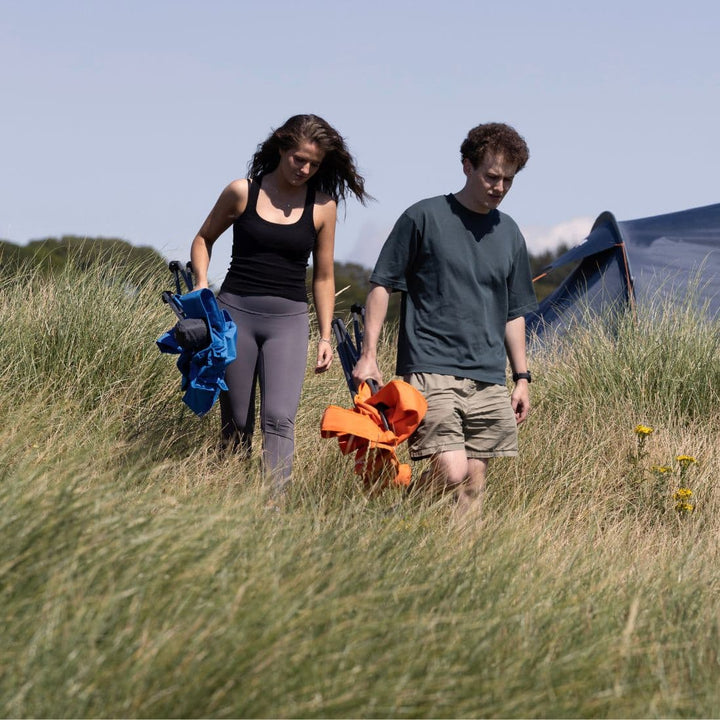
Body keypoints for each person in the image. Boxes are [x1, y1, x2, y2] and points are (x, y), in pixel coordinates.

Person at [351, 122, 538, 522]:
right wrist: (368, 355)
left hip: (488, 376)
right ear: (467, 166)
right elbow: (382, 284)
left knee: (473, 482)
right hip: (429, 368)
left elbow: (513, 310)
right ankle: (390, 513)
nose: (499, 187)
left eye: (508, 180)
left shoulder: (510, 234)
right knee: (451, 473)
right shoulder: (423, 217)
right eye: (491, 176)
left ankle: (460, 567)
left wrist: (521, 376)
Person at [191, 114, 369, 489]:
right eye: (298, 159)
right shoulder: (242, 191)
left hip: (287, 322)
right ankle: (230, 501)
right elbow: (203, 239)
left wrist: (324, 336)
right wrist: (202, 288)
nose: (305, 169)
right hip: (234, 315)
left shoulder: (323, 207)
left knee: (279, 419)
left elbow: (322, 276)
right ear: (281, 147)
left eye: (314, 164)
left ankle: (275, 509)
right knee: (237, 421)